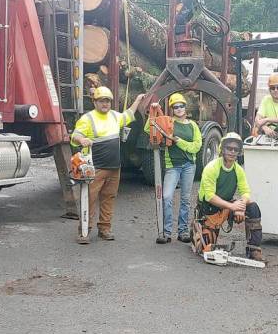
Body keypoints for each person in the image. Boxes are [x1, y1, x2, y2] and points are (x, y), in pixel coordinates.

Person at [71, 87, 144, 244]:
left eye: (107, 101)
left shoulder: (115, 116)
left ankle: (104, 228)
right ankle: (84, 231)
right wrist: (81, 140)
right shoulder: (87, 118)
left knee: (108, 198)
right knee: (89, 199)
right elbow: (75, 135)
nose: (105, 104)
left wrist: (137, 100)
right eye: (101, 101)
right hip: (94, 168)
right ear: (95, 102)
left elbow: (129, 114)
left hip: (114, 168)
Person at [190, 132, 263, 261]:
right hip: (209, 210)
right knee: (204, 249)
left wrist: (240, 207)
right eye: (229, 148)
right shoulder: (212, 168)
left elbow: (246, 192)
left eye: (236, 149)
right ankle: (196, 231)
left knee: (253, 207)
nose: (232, 152)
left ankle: (254, 249)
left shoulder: (238, 170)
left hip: (227, 206)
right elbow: (209, 197)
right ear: (222, 149)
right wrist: (233, 206)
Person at [145, 93, 202, 244]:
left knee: (185, 199)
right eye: (175, 107)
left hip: (189, 165)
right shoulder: (167, 122)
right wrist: (153, 110)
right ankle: (166, 232)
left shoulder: (193, 125)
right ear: (172, 109)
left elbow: (196, 146)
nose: (178, 109)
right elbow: (149, 128)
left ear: (185, 107)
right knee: (167, 197)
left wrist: (178, 141)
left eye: (181, 106)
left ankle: (183, 231)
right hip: (173, 167)